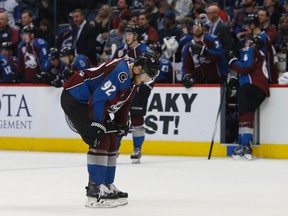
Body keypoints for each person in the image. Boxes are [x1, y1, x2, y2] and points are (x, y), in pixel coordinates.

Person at [60, 53, 160, 208]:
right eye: (148, 75)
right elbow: (99, 98)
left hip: (90, 101)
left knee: (112, 138)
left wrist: (121, 123)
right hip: (76, 98)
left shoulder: (133, 78)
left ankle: (106, 185)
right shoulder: (121, 74)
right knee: (100, 139)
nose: (148, 80)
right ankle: (94, 190)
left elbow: (124, 103)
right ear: (139, 68)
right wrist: (98, 123)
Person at [112, 25, 151, 163]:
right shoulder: (119, 50)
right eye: (126, 34)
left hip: (139, 89)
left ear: (136, 36)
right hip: (122, 89)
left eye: (130, 34)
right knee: (118, 119)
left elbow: (152, 69)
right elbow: (112, 67)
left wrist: (148, 85)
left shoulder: (144, 50)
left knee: (137, 119)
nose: (127, 37)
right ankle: (114, 148)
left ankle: (137, 148)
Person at [228, 35, 269, 160]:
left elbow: (245, 67)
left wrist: (232, 61)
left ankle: (245, 145)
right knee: (246, 115)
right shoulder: (259, 54)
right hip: (259, 88)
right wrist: (236, 79)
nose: (245, 44)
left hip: (251, 86)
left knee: (245, 114)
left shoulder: (250, 50)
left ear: (253, 43)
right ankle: (243, 144)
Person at [181, 19, 228, 87]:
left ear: (202, 28)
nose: (197, 28)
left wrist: (205, 52)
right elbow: (186, 65)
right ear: (191, 30)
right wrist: (187, 76)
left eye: (199, 26)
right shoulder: (187, 46)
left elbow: (220, 55)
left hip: (217, 79)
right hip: (199, 81)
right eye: (195, 27)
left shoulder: (212, 39)